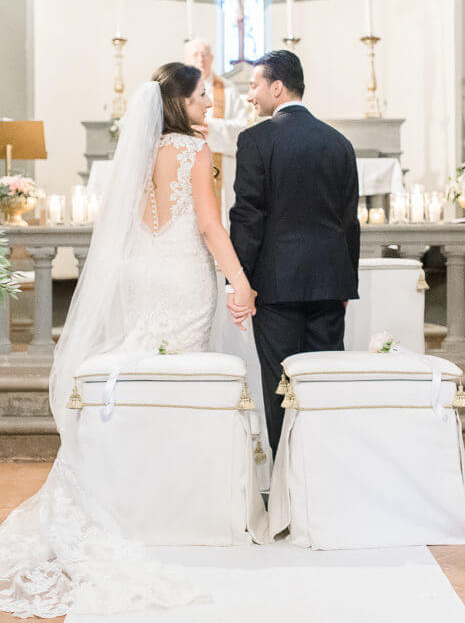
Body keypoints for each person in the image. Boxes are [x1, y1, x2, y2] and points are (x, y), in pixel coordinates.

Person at [0, 63, 261, 617]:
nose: (207, 107)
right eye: (198, 100)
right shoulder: (196, 154)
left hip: (142, 273)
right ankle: (171, 498)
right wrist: (240, 280)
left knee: (143, 370)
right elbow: (211, 226)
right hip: (184, 273)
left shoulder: (135, 154)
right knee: (176, 383)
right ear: (175, 104)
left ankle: (129, 490)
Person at [229, 50, 359, 454]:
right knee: (322, 384)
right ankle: (322, 482)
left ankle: (286, 490)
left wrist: (241, 282)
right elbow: (348, 222)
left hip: (276, 286)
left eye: (254, 85)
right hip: (328, 284)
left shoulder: (255, 140)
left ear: (277, 87)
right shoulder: (339, 143)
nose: (250, 96)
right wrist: (344, 285)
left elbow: (248, 217)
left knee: (280, 388)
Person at [184, 38, 251, 226]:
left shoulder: (227, 89)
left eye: (205, 54)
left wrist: (210, 129)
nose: (201, 59)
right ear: (186, 60)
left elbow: (242, 129)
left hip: (222, 169)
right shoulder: (179, 91)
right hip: (187, 166)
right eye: (195, 55)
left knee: (220, 221)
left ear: (212, 58)